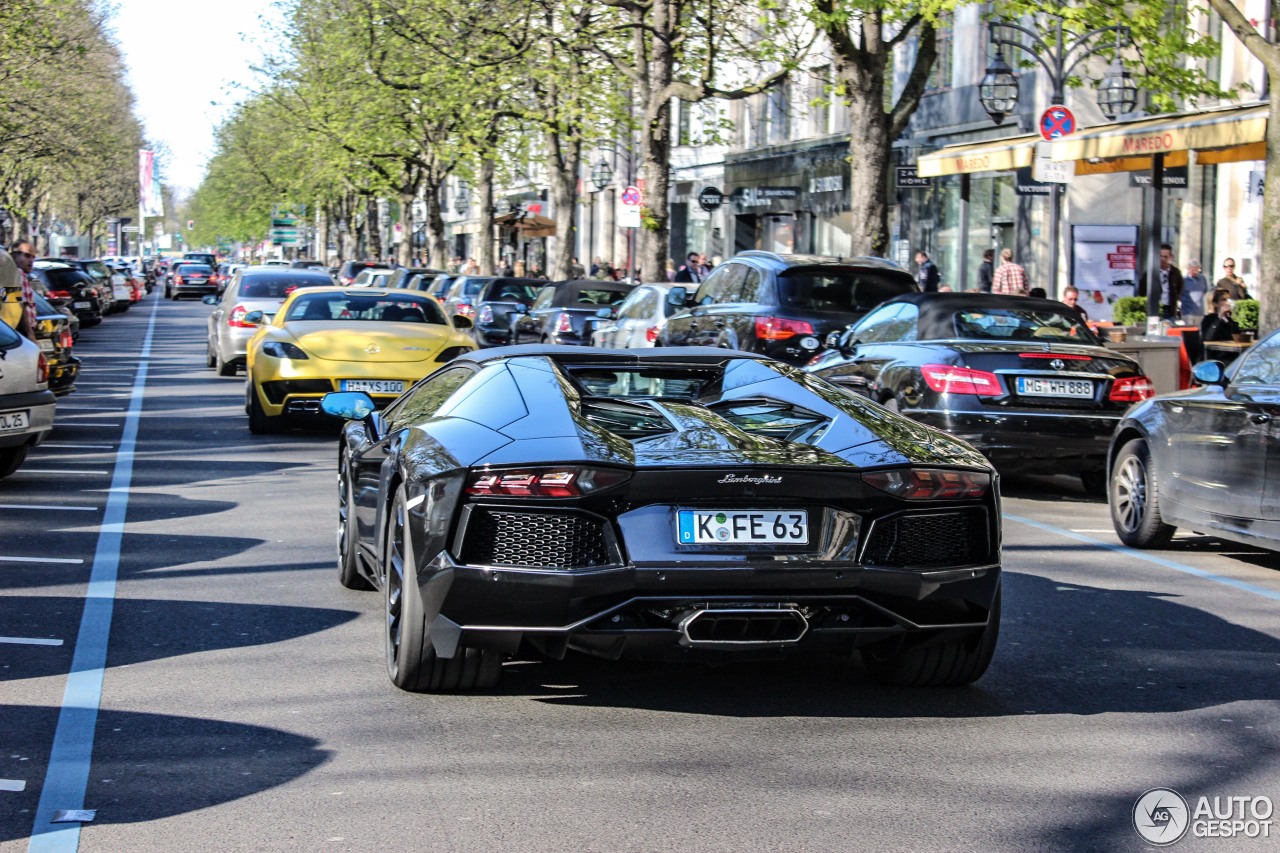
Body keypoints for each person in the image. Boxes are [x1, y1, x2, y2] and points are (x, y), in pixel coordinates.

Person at [4, 241, 38, 340]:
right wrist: (30, 334)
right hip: (21, 331)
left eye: (33, 257)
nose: (31, 260)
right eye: (27, 256)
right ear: (14, 256)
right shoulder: (18, 273)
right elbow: (20, 305)